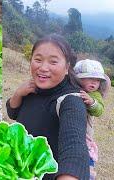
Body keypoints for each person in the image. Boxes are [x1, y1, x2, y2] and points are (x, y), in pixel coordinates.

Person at [6, 34, 89, 179]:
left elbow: (74, 149)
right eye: (38, 60)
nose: (43, 68)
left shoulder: (71, 101)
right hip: (19, 170)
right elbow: (12, 113)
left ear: (67, 67)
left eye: (53, 62)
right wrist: (18, 93)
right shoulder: (32, 88)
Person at [74, 59, 110, 180]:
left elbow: (99, 110)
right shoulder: (73, 89)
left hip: (85, 132)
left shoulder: (95, 95)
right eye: (89, 78)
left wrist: (92, 102)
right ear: (77, 78)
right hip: (71, 127)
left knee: (87, 150)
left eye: (98, 80)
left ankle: (89, 171)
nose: (94, 82)